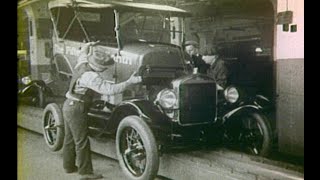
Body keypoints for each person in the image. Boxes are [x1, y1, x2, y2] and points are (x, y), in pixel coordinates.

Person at [62, 41, 142, 180]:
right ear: (99, 66)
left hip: (68, 105)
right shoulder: (91, 76)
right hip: (77, 108)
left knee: (70, 139)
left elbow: (83, 52)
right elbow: (110, 90)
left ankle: (68, 166)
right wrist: (129, 82)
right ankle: (85, 172)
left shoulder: (82, 64)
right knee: (81, 140)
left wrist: (89, 45)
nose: (105, 70)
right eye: (104, 67)